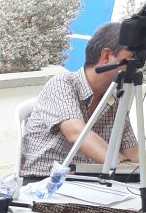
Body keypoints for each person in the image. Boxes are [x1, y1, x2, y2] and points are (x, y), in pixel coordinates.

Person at [21, 21, 140, 180]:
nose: (136, 68)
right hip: (42, 180)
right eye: (131, 60)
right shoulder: (62, 84)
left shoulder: (115, 98)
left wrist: (134, 169)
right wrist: (124, 167)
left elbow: (133, 153)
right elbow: (76, 134)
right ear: (106, 56)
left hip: (84, 180)